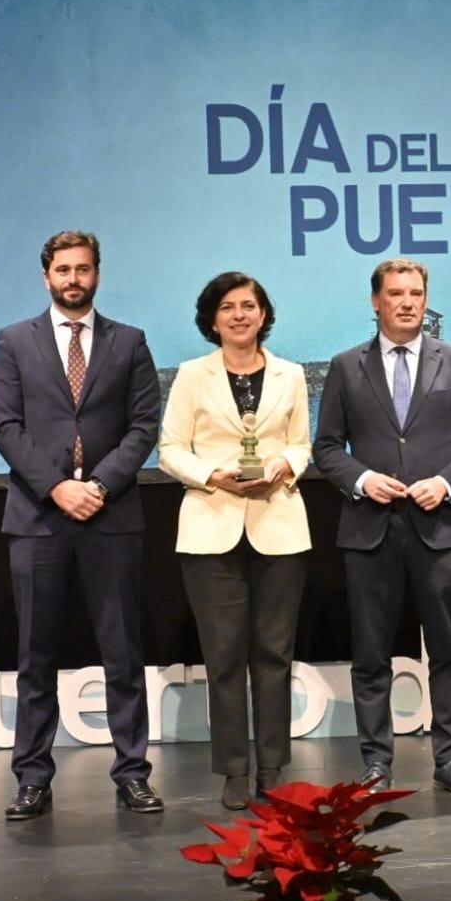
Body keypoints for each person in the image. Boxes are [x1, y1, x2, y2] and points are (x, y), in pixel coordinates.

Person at [0, 230, 163, 820]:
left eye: (83, 268)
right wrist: (58, 487)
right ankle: (32, 778)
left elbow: (143, 427)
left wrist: (100, 487)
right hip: (38, 520)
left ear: (97, 274)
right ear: (46, 276)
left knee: (123, 653)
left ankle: (133, 774)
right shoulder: (14, 341)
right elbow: (5, 427)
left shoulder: (130, 342)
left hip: (111, 518)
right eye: (63, 269)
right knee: (36, 657)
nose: (73, 278)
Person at [312, 259, 451, 797]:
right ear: (376, 302)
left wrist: (447, 482)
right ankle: (376, 763)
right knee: (370, 654)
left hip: (442, 527)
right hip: (370, 529)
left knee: (449, 650)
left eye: (416, 293)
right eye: (396, 293)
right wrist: (363, 478)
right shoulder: (346, 366)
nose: (408, 302)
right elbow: (326, 448)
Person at [158, 272, 311, 810]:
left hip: (279, 525)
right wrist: (212, 476)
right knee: (223, 657)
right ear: (213, 319)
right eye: (228, 307)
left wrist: (282, 466)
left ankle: (272, 766)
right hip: (210, 525)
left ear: (264, 314)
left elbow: (302, 445)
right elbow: (170, 449)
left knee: (274, 654)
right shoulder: (191, 375)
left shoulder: (291, 375)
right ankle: (233, 770)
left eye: (249, 306)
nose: (240, 315)